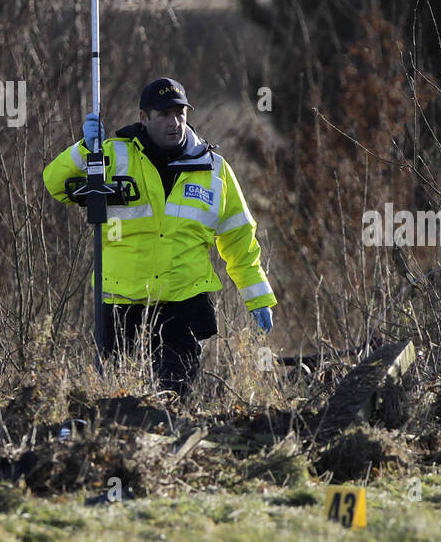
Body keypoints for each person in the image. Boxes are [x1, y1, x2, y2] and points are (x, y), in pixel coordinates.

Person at [43, 77, 276, 398]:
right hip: (121, 306)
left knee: (173, 396)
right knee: (119, 400)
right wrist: (83, 149)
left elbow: (240, 240)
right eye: (165, 114)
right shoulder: (111, 156)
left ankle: (168, 444)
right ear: (144, 117)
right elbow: (55, 184)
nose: (174, 122)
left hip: (183, 306)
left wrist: (258, 298)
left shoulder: (213, 169)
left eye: (180, 114)